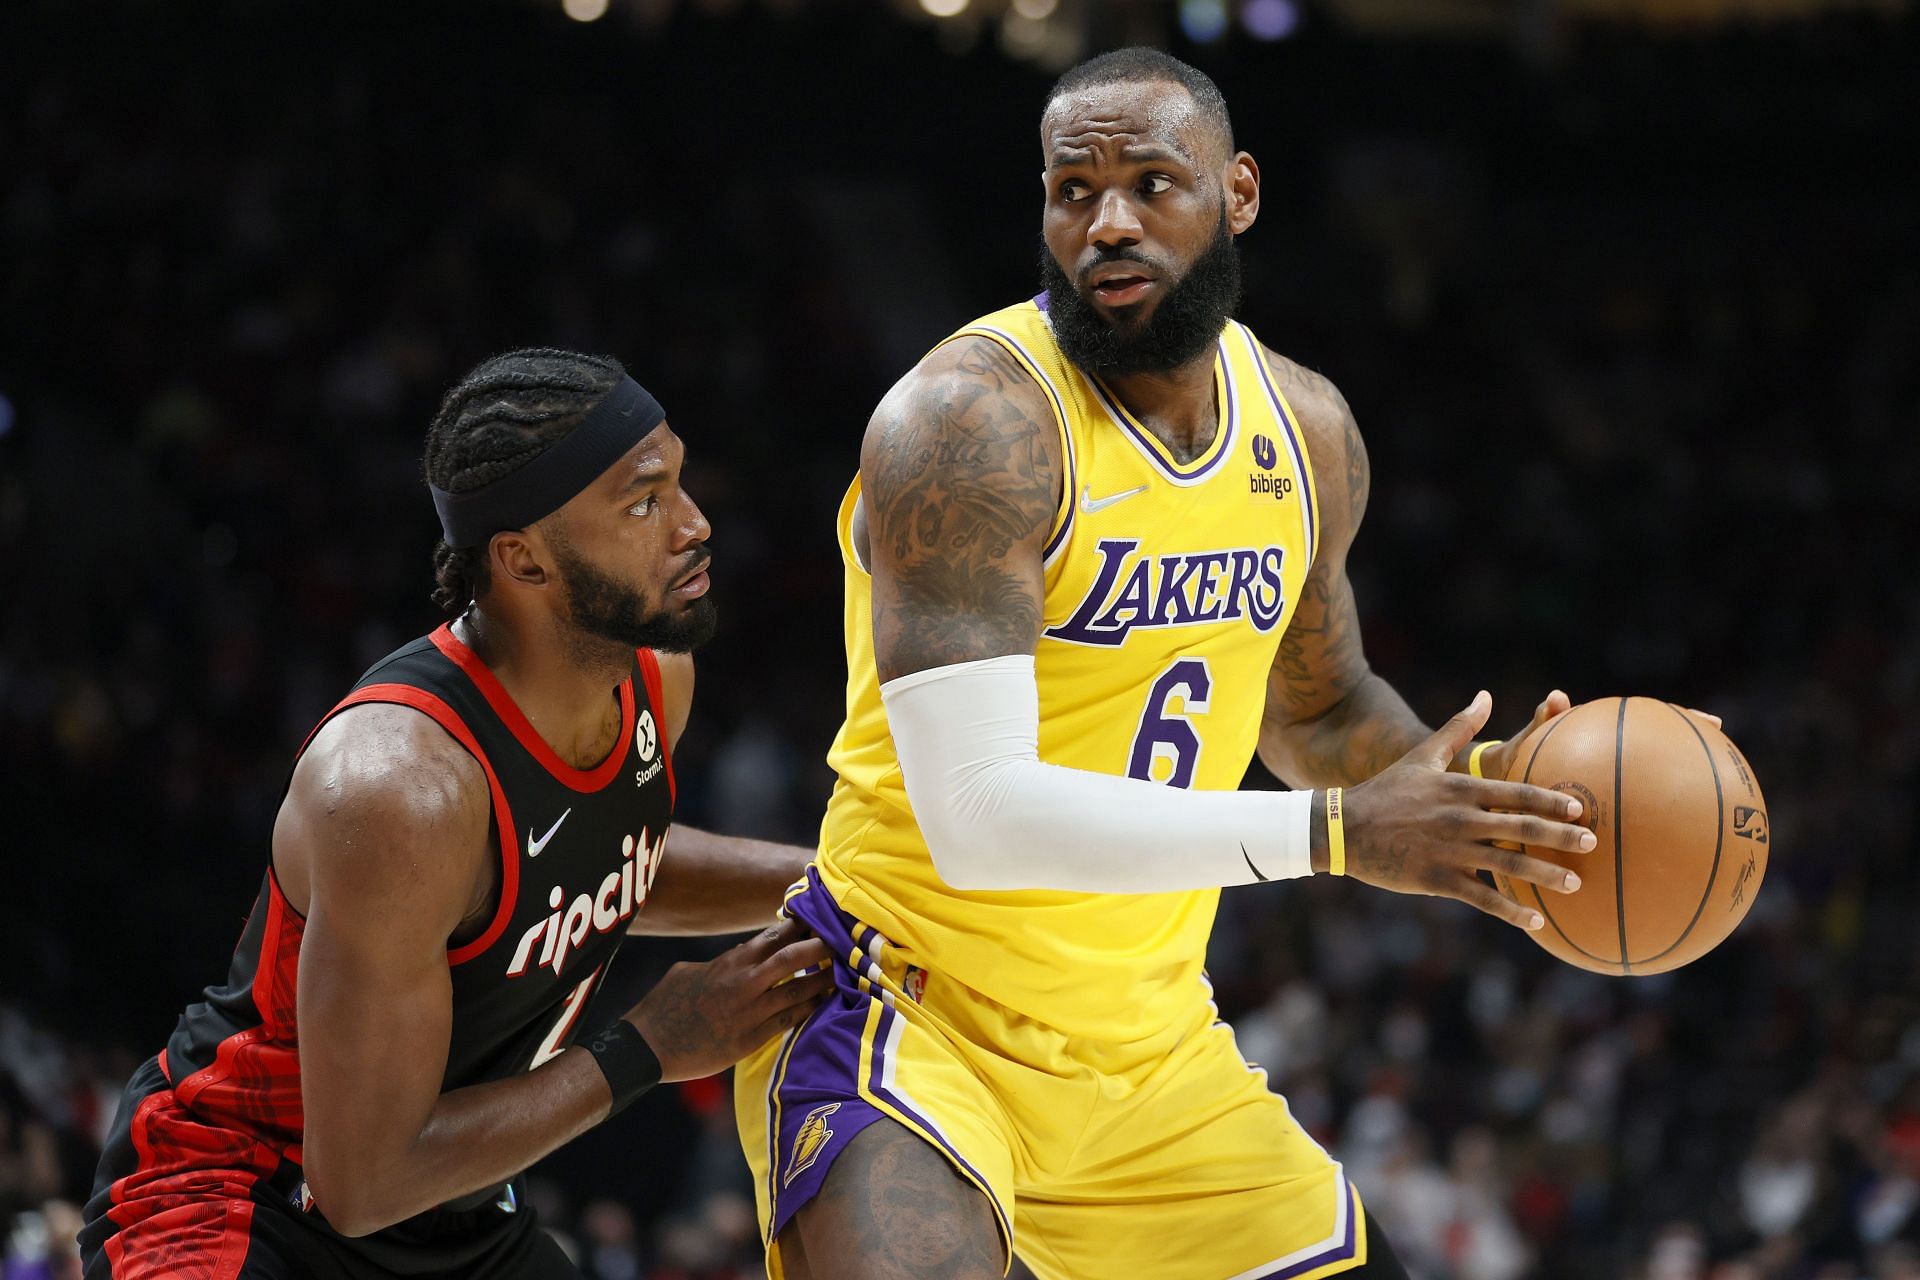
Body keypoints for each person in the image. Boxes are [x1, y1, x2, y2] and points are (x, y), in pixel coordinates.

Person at [734, 49, 1602, 1280]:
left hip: (1149, 1051)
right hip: (913, 1010)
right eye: (1072, 190)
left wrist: (1475, 803)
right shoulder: (970, 423)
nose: (1107, 224)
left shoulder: (1305, 429)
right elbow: (978, 815)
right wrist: (1346, 831)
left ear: (1239, 193)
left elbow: (1320, 701)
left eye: (1152, 183)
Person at [78, 348, 831, 1278]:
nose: (694, 524)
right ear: (523, 558)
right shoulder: (400, 789)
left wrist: (835, 883)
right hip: (247, 1200)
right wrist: (650, 1047)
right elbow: (360, 1181)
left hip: (450, 1210)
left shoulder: (653, 675)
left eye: (680, 482)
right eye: (644, 501)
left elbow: (607, 860)